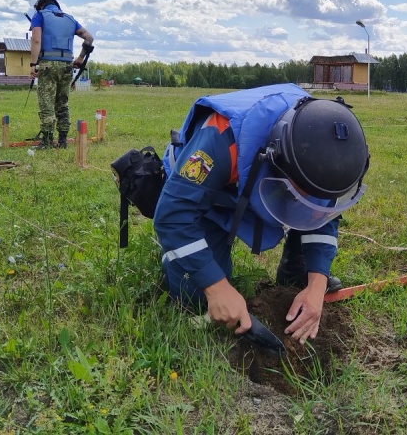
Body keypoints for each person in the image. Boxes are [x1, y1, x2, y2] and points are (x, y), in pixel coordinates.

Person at [152, 84, 369, 344]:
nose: (312, 201)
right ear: (279, 163)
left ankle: (294, 268)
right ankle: (174, 258)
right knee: (196, 295)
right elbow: (172, 215)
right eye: (303, 193)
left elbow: (323, 213)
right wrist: (216, 286)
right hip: (206, 195)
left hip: (257, 185)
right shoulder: (221, 137)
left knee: (308, 206)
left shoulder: (324, 150)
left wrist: (316, 285)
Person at [29, 0, 94, 149]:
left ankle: (48, 141)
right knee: (62, 103)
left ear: (40, 6)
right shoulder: (70, 19)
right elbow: (89, 38)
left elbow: (36, 40)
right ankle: (63, 140)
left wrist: (33, 63)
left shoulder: (39, 16)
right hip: (67, 65)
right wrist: (80, 58)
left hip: (48, 65)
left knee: (47, 103)